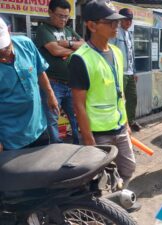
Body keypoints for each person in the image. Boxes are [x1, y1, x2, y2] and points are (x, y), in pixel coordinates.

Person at [69, 0, 137, 191]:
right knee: (100, 179)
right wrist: (88, 138)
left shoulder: (116, 52)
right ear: (91, 25)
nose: (116, 26)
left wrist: (126, 124)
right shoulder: (80, 59)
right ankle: (103, 213)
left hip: (119, 126)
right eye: (110, 22)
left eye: (117, 22)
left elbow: (119, 92)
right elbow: (78, 105)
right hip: (98, 133)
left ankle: (118, 201)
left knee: (128, 167)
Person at [0, 17, 59, 151]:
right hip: (10, 138)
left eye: (5, 47)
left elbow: (40, 70)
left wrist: (50, 94)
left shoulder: (26, 44)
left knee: (44, 167)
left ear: (9, 31)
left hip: (38, 128)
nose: (3, 55)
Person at [35, 0, 84, 144]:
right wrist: (74, 49)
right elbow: (55, 51)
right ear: (50, 12)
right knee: (52, 119)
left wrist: (68, 44)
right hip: (52, 84)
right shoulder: (44, 30)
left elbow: (85, 46)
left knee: (77, 117)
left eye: (66, 16)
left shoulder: (69, 30)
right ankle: (56, 151)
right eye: (60, 15)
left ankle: (79, 145)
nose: (63, 19)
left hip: (72, 84)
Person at [110, 8, 141, 132]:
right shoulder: (115, 33)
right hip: (120, 73)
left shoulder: (129, 34)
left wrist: (134, 71)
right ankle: (121, 123)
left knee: (132, 98)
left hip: (129, 72)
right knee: (119, 99)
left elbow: (131, 54)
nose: (129, 22)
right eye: (126, 19)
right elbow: (111, 51)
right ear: (120, 20)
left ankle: (131, 121)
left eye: (130, 20)